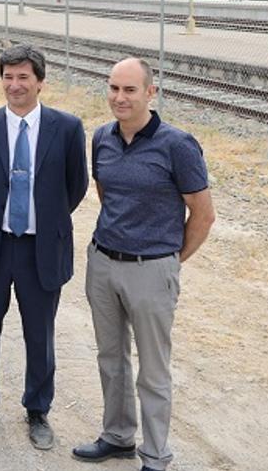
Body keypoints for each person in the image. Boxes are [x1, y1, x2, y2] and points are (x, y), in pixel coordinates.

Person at [73, 58, 215, 471]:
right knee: (110, 358)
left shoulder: (178, 145)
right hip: (103, 263)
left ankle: (154, 455)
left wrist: (169, 261)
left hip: (152, 269)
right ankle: (118, 436)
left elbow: (203, 216)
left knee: (153, 370)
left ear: (150, 93)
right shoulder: (101, 137)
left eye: (130, 90)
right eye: (114, 88)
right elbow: (108, 194)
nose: (120, 97)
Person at [0, 45, 88, 450]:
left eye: (24, 77)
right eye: (8, 77)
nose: (15, 85)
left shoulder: (66, 128)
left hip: (40, 249)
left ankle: (37, 409)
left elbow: (74, 187)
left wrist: (41, 219)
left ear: (40, 82)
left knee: (39, 334)